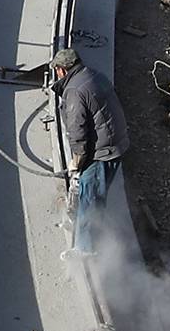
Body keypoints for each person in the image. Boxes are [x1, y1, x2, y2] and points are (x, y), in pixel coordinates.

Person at [53, 48, 129, 255]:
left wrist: (77, 160)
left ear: (61, 71)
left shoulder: (74, 91)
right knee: (90, 193)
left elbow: (78, 130)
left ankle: (86, 249)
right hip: (114, 143)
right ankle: (79, 227)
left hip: (102, 151)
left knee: (90, 199)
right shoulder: (94, 75)